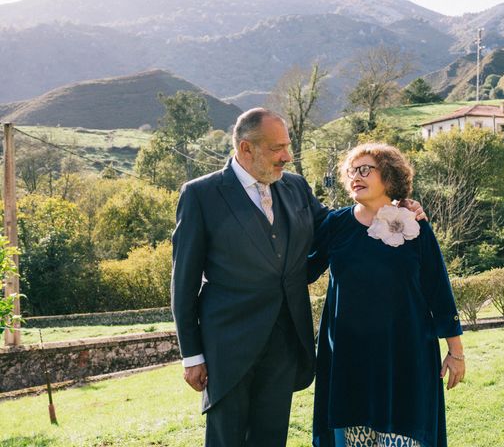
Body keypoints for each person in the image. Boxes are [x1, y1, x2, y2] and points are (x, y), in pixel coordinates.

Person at [171, 108, 425, 446]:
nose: (287, 157)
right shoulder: (201, 195)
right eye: (277, 148)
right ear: (246, 149)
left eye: (287, 146)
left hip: (286, 340)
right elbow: (184, 282)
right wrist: (192, 355)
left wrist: (394, 209)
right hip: (227, 345)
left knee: (271, 437)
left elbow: (334, 229)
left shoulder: (294, 186)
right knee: (226, 439)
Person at [309, 143, 465, 447]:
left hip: (405, 356)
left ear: (389, 177)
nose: (356, 175)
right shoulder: (335, 225)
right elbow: (302, 270)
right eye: (352, 170)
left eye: (366, 169)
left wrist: (456, 352)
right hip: (351, 360)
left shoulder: (414, 224)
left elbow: (438, 290)